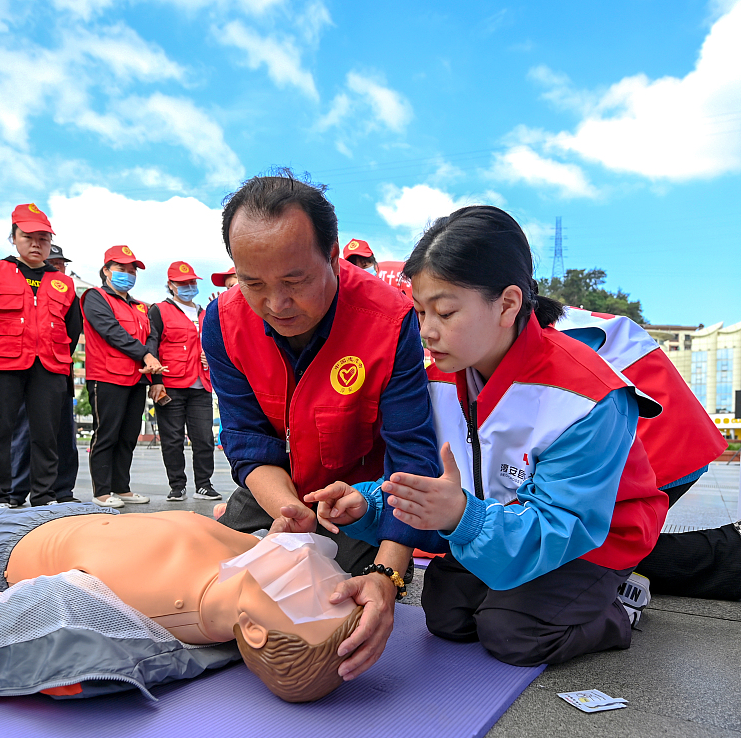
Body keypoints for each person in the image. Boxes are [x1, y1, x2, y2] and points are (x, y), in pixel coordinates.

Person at [309, 205, 669, 668]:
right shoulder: (437, 379)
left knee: (512, 633)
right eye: (420, 313)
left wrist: (462, 516)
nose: (427, 332)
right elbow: (424, 480)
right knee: (445, 614)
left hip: (592, 540)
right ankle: (523, 590)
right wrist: (368, 504)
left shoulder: (588, 397)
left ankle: (618, 607)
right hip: (497, 523)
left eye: (445, 312)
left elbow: (565, 523)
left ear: (508, 304)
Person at [202, 170, 441, 683]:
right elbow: (246, 439)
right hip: (279, 491)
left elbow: (411, 460)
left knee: (331, 615)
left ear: (333, 256)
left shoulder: (390, 320)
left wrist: (388, 574)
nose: (276, 305)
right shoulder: (221, 322)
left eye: (295, 281)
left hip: (359, 496)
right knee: (208, 590)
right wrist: (286, 512)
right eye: (254, 283)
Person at [0, 506, 362, 703]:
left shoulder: (138, 620)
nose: (318, 579)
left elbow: (10, 636)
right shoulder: (257, 571)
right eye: (331, 589)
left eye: (308, 601)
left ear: (254, 635)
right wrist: (277, 533)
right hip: (78, 513)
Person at [555, 308, 738, 601]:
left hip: (651, 433)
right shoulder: (513, 313)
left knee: (572, 555)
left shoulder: (514, 333)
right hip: (664, 424)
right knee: (579, 547)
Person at [0, 204, 82, 509]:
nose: (36, 243)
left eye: (43, 238)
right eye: (28, 236)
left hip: (49, 367)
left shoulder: (64, 282)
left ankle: (44, 496)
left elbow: (73, 329)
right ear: (13, 237)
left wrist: (58, 361)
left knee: (47, 434)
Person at [81, 245, 164, 508]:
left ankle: (122, 487)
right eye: (121, 269)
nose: (127, 275)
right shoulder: (95, 297)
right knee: (107, 433)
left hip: (136, 377)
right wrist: (146, 355)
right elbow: (111, 331)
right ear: (106, 270)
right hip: (106, 376)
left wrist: (150, 361)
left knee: (128, 435)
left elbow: (152, 336)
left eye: (132, 271)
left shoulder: (140, 306)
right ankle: (102, 491)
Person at [9, 243, 79, 507]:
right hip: (26, 369)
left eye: (63, 264)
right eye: (56, 262)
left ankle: (62, 489)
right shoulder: (26, 286)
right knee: (26, 434)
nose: (60, 268)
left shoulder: (66, 289)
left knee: (63, 435)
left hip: (58, 369)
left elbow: (72, 330)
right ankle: (16, 491)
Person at [146, 261, 220, 502]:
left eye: (191, 282)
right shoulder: (159, 310)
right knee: (172, 439)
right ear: (170, 285)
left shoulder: (204, 311)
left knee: (203, 438)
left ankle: (204, 484)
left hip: (201, 385)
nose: (188, 286)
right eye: (182, 283)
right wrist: (155, 380)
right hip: (171, 383)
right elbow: (153, 344)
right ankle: (177, 485)